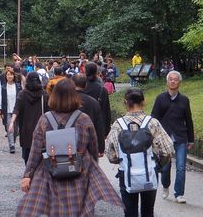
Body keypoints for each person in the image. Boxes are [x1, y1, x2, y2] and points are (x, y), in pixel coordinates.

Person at [16, 79, 122, 216]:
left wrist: (27, 176)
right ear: (74, 96)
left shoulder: (45, 120)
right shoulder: (84, 119)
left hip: (52, 174)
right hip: (80, 174)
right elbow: (94, 149)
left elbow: (35, 150)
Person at [106, 88, 173, 217]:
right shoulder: (152, 123)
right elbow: (167, 151)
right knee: (148, 211)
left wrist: (122, 159)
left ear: (125, 102)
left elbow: (110, 154)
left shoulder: (118, 125)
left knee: (130, 212)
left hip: (126, 174)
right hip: (149, 172)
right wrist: (157, 164)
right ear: (144, 101)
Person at [151, 70, 195, 203]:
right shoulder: (160, 98)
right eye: (171, 79)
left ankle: (179, 194)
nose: (173, 81)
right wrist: (153, 136)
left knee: (181, 167)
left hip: (180, 137)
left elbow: (189, 120)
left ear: (179, 83)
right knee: (165, 168)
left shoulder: (184, 100)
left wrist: (191, 139)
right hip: (164, 139)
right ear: (167, 82)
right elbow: (154, 118)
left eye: (176, 79)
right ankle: (165, 185)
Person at [9, 72, 49, 164]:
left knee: (27, 155)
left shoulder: (22, 94)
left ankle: (29, 174)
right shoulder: (44, 94)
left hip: (26, 130)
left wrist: (12, 122)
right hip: (41, 129)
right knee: (41, 155)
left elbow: (16, 109)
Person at [83, 62, 112, 156]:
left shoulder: (80, 88)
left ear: (84, 71)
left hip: (81, 126)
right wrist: (106, 130)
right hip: (97, 126)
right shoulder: (102, 89)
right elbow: (106, 110)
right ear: (97, 72)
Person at [72, 74, 105, 154]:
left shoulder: (65, 100)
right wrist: (100, 147)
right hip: (88, 144)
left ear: (72, 83)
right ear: (86, 85)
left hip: (69, 143)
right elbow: (99, 126)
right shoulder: (94, 102)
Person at [0, 68, 22, 154]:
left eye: (11, 74)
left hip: (16, 110)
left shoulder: (18, 86)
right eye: (8, 75)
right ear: (6, 76)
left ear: (14, 76)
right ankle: (11, 145)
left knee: (16, 129)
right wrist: (1, 111)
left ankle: (13, 140)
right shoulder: (3, 87)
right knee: (10, 128)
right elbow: (1, 99)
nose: (9, 76)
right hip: (7, 110)